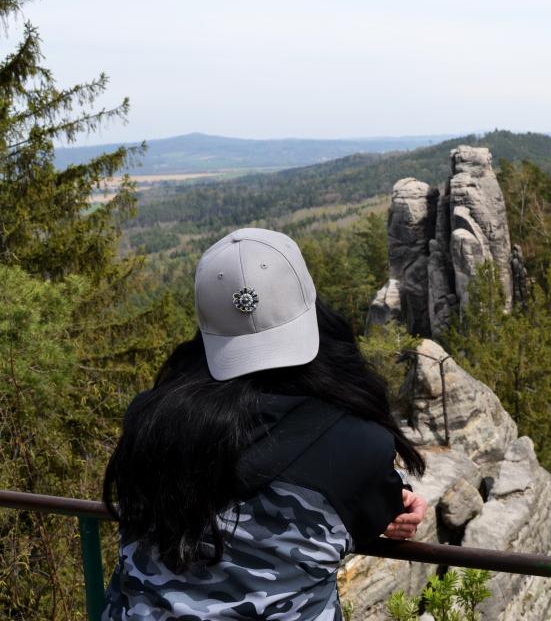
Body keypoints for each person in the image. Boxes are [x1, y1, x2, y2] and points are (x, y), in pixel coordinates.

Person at [102, 228, 427, 621]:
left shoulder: (149, 422)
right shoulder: (359, 444)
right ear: (313, 308)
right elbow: (369, 512)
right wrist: (396, 495)